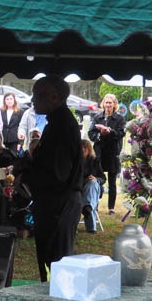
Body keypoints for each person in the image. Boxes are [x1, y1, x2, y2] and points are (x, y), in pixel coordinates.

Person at [18, 75, 82, 282]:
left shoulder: (61, 127)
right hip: (57, 202)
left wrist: (27, 175)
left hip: (58, 204)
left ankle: (54, 298)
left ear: (54, 97)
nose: (33, 100)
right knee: (52, 261)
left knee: (55, 264)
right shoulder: (57, 122)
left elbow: (57, 174)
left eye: (38, 96)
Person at [88, 93, 126, 215]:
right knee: (96, 179)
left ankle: (111, 207)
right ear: (103, 103)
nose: (108, 105)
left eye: (110, 102)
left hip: (113, 152)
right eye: (106, 102)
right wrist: (100, 134)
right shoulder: (97, 117)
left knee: (112, 181)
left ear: (114, 104)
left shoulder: (120, 118)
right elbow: (91, 133)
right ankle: (95, 205)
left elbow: (121, 133)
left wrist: (110, 132)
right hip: (99, 152)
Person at [79, 139, 105, 234]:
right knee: (89, 197)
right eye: (81, 149)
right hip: (80, 188)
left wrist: (96, 179)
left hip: (95, 188)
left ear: (89, 150)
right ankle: (88, 210)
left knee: (92, 184)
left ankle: (87, 208)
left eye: (84, 149)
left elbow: (103, 178)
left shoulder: (95, 161)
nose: (82, 151)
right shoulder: (76, 162)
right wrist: (84, 180)